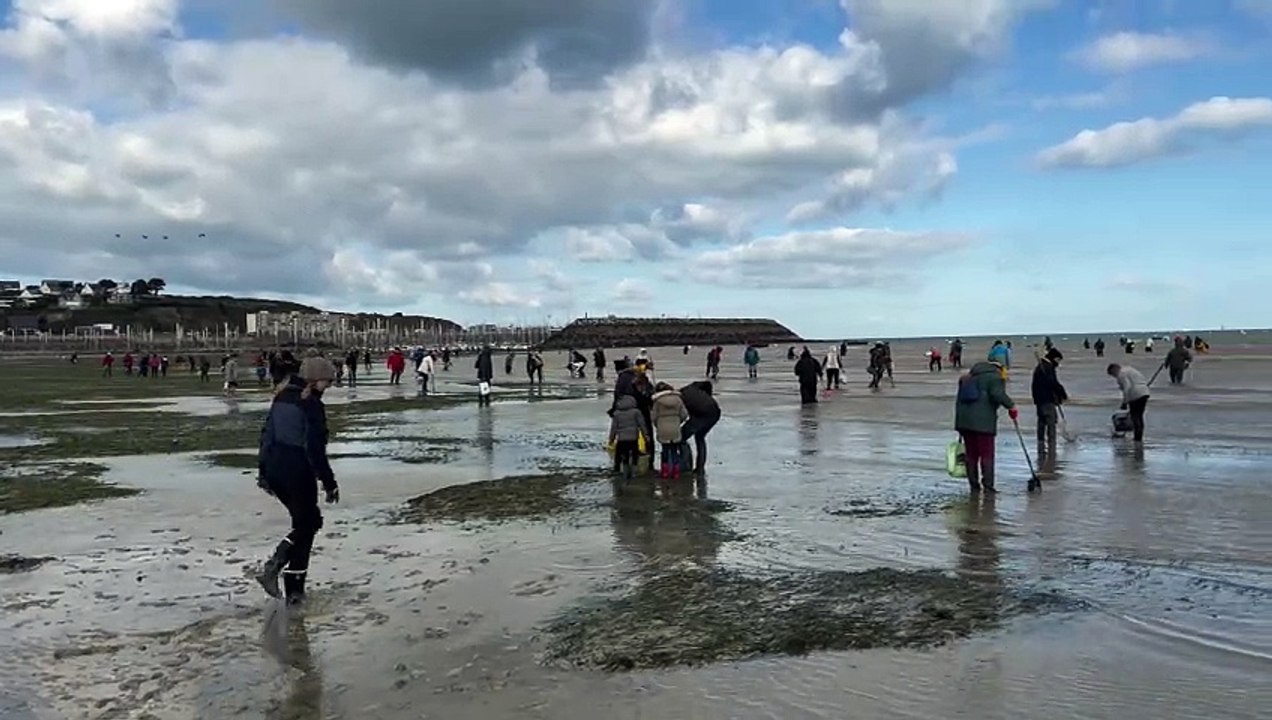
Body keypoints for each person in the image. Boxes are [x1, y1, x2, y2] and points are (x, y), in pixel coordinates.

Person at [253, 355, 339, 605]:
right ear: (315, 379)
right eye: (327, 381)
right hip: (297, 469)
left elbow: (266, 435)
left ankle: (294, 593)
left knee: (306, 524)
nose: (329, 386)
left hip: (275, 468)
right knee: (308, 523)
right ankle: (276, 565)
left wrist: (263, 472)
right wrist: (329, 481)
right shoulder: (311, 404)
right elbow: (314, 449)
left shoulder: (281, 397)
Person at [954, 361, 1018, 494]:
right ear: (998, 368)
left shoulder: (966, 378)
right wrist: (1011, 406)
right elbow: (997, 395)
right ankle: (988, 487)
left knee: (971, 455)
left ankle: (974, 486)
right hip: (983, 424)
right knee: (986, 455)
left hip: (965, 423)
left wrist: (959, 423)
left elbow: (960, 401)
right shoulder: (994, 377)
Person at [1030, 350, 1068, 458]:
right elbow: (1053, 383)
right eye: (1058, 360)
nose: (1058, 363)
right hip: (1046, 399)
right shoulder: (1047, 367)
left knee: (1042, 422)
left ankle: (1041, 443)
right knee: (1051, 422)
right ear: (1053, 358)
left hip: (1039, 400)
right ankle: (1051, 446)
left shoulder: (1041, 367)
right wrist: (1062, 393)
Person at [678, 380, 720, 476]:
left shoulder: (681, 398)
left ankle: (687, 465)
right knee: (700, 438)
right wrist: (709, 395)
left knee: (681, 438)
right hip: (715, 412)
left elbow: (683, 415)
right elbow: (708, 383)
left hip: (701, 415)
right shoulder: (693, 386)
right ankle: (700, 467)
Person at [650, 382, 688, 481]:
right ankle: (676, 472)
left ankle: (665, 472)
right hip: (675, 427)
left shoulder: (658, 401)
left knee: (665, 450)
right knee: (675, 450)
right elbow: (684, 414)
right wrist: (678, 421)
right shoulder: (678, 400)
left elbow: (653, 416)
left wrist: (657, 425)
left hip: (663, 427)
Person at [1108, 363, 1150, 443]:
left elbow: (1127, 387)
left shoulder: (1121, 374)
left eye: (1113, 374)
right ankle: (1139, 436)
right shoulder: (1130, 369)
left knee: (1135, 416)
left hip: (1135, 394)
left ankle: (1137, 438)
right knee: (1139, 416)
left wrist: (1125, 401)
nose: (1114, 377)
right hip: (1144, 392)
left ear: (1114, 369)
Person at [609, 394, 644, 478]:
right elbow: (642, 424)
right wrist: (645, 434)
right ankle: (634, 472)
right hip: (633, 437)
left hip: (622, 438)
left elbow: (614, 427)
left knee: (624, 455)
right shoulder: (636, 412)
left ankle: (625, 471)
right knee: (635, 454)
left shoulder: (617, 414)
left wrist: (611, 438)